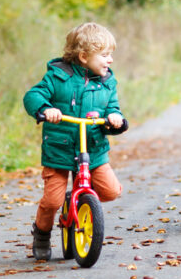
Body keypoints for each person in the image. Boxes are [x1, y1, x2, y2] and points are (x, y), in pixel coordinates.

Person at [23, 22, 125, 260]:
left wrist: (114, 118)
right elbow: (33, 95)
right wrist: (45, 109)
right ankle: (42, 233)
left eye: (111, 55)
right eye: (104, 55)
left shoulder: (107, 81)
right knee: (52, 201)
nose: (110, 60)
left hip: (93, 149)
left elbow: (113, 107)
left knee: (110, 192)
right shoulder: (58, 77)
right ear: (83, 56)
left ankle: (83, 201)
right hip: (60, 150)